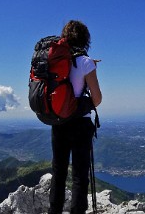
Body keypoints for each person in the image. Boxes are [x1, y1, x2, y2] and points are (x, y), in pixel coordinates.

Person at [50, 20, 101, 214]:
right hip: (80, 125)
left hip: (58, 123)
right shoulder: (86, 62)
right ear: (85, 39)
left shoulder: (54, 61)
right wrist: (89, 70)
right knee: (79, 176)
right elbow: (97, 99)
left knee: (59, 173)